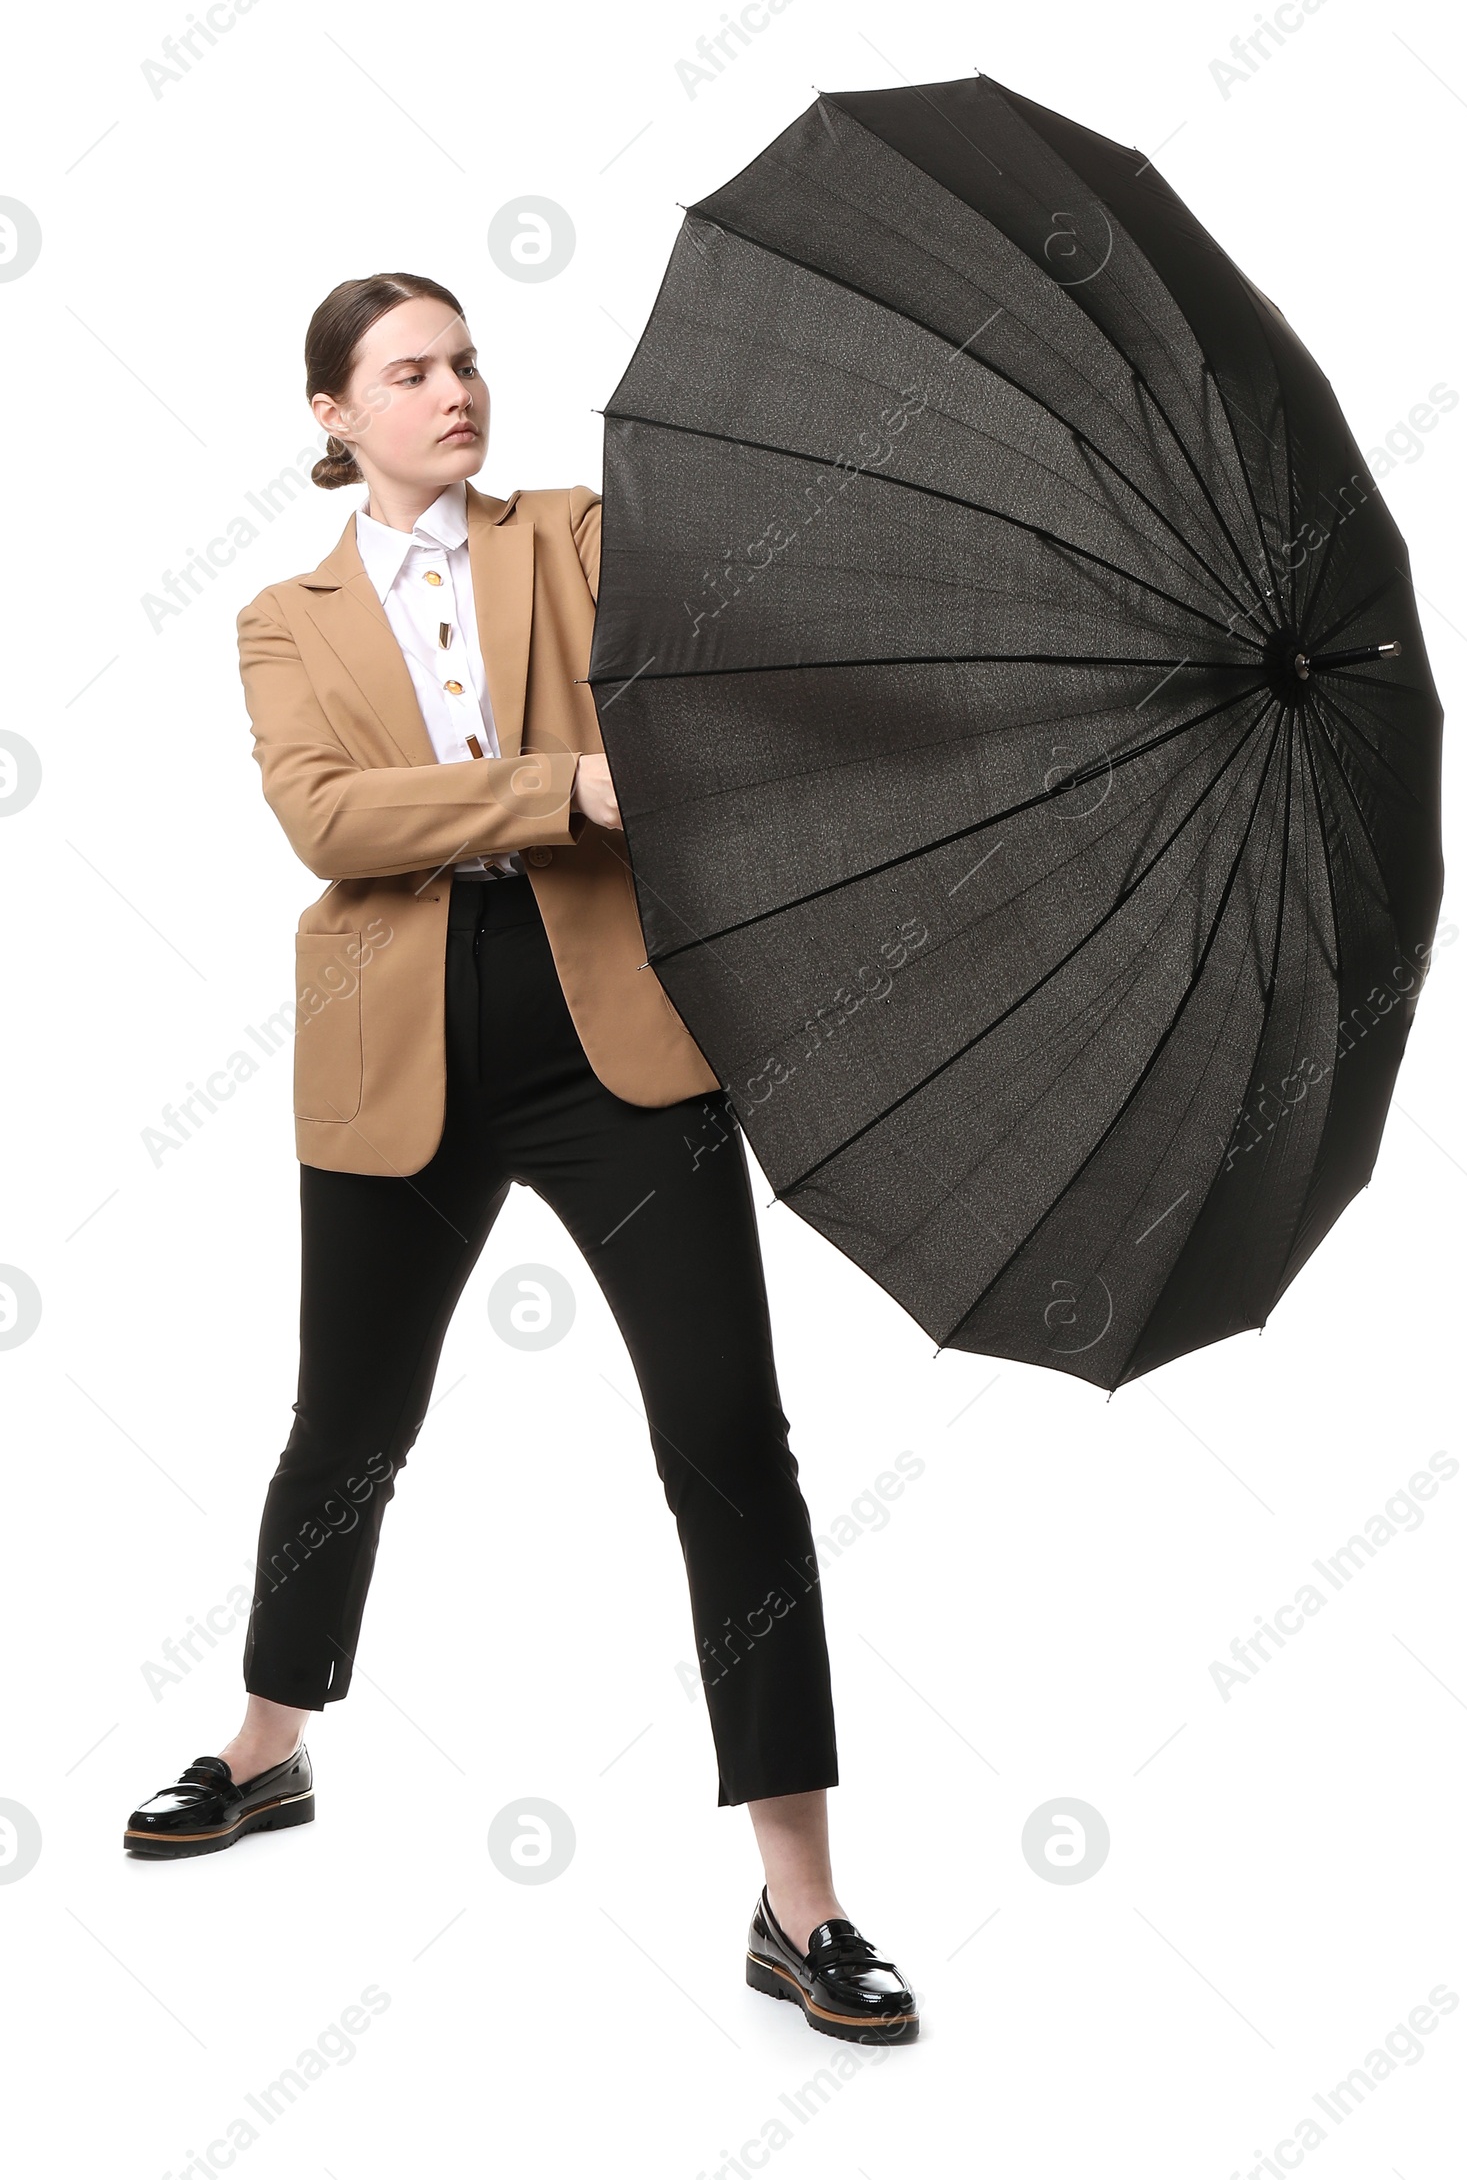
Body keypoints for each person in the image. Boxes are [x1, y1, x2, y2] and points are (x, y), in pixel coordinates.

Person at [121, 271, 917, 2046]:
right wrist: (558, 782)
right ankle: (269, 1743)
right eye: (410, 370)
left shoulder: (570, 538)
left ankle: (802, 1890)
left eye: (467, 359)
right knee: (349, 1424)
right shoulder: (280, 615)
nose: (455, 388)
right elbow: (324, 817)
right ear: (332, 413)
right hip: (396, 1035)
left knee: (729, 1436)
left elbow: (737, 603)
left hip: (615, 1028)